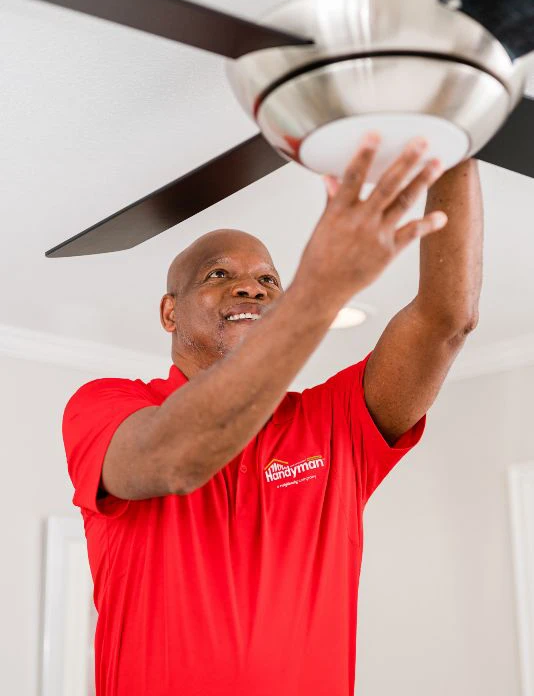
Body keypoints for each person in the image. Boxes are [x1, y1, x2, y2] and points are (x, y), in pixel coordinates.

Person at [62, 133, 483, 696]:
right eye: (218, 275)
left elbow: (445, 319)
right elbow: (173, 459)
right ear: (170, 312)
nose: (252, 290)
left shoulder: (334, 424)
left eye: (268, 281)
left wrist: (459, 133)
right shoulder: (107, 405)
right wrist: (318, 290)